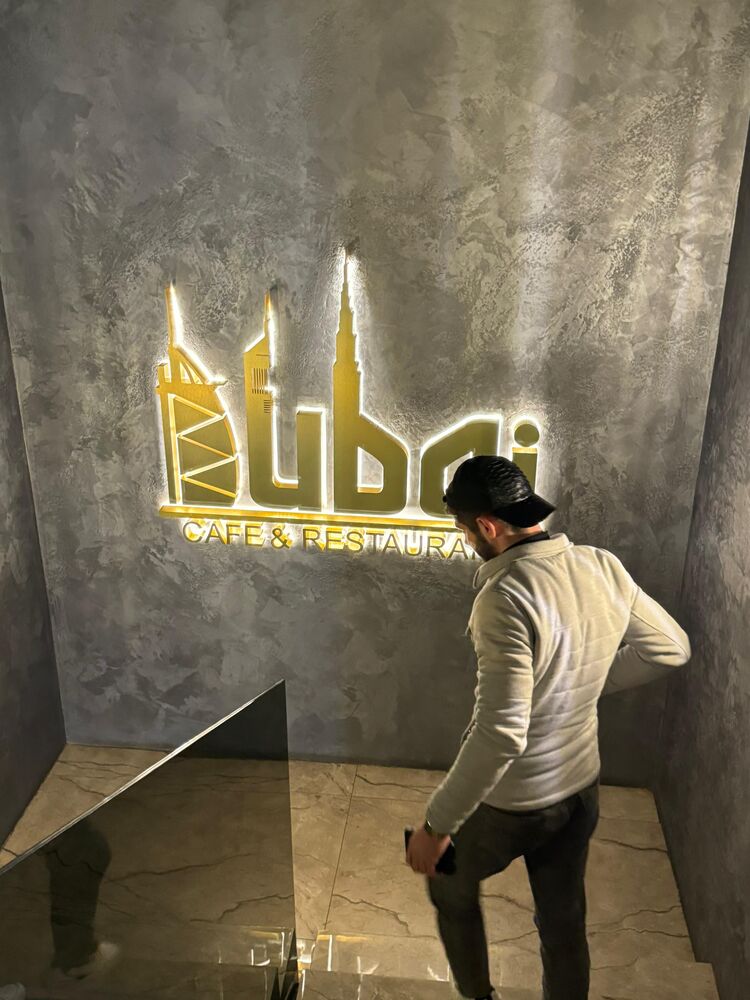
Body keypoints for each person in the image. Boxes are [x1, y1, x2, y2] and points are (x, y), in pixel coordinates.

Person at [405, 455, 691, 1000]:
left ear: (486, 526)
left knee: (446, 882)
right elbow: (670, 648)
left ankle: (479, 996)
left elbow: (501, 734)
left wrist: (436, 827)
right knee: (563, 921)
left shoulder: (504, 598)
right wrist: (581, 685)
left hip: (514, 806)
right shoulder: (601, 565)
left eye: (463, 531)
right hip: (580, 792)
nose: (466, 541)